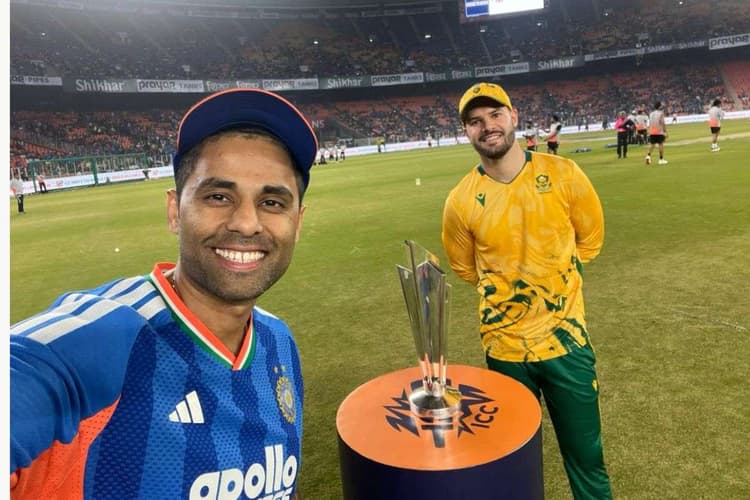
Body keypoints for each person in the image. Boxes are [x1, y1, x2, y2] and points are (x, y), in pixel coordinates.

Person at [10, 88, 318, 499]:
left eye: (273, 202)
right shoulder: (94, 345)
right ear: (175, 211)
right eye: (218, 196)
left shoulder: (279, 342)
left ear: (298, 223)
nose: (246, 223)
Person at [442, 82, 612, 500]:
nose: (488, 126)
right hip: (505, 351)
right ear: (466, 131)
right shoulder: (461, 201)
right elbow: (464, 268)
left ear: (513, 116)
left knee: (586, 457)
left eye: (495, 115)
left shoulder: (564, 174)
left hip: (567, 343)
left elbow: (590, 241)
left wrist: (550, 280)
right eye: (475, 121)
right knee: (510, 463)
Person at [645, 101, 668, 165]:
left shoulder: (651, 113)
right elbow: (662, 122)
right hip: (659, 131)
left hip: (652, 131)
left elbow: (650, 123)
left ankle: (648, 156)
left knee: (652, 144)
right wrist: (665, 132)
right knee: (660, 144)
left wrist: (649, 131)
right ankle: (661, 159)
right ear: (659, 106)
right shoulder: (661, 113)